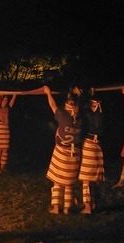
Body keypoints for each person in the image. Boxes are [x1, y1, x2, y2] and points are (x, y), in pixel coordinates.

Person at [42, 85, 83, 214]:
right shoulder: (80, 120)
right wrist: (77, 95)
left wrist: (48, 93)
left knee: (57, 181)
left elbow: (53, 105)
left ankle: (55, 207)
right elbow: (76, 106)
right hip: (74, 154)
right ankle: (66, 208)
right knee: (69, 183)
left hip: (61, 152)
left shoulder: (63, 116)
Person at [78, 91, 105, 214]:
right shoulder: (95, 114)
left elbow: (84, 109)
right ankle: (92, 204)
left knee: (87, 178)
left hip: (92, 145)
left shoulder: (95, 115)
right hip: (94, 144)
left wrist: (85, 96)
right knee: (91, 177)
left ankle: (88, 206)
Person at [0, 93, 16, 174]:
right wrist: (0, 94)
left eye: (6, 100)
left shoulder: (7, 108)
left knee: (5, 150)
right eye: (4, 100)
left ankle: (3, 166)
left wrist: (14, 95)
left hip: (6, 130)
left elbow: (12, 102)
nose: (5, 102)